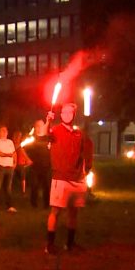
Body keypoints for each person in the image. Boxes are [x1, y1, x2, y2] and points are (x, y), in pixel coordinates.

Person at [44, 103, 94, 254]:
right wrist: (48, 121)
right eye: (64, 112)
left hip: (77, 179)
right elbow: (45, 134)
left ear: (74, 114)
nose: (67, 114)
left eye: (70, 112)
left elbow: (86, 151)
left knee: (74, 213)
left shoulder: (78, 133)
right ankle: (50, 245)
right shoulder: (56, 130)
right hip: (61, 178)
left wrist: (86, 169)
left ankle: (70, 244)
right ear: (60, 114)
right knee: (56, 212)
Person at [25, 120, 52, 208]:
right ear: (35, 127)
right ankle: (34, 204)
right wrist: (27, 159)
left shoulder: (48, 138)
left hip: (46, 165)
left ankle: (46, 204)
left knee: (47, 186)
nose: (39, 127)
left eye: (41, 125)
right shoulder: (31, 138)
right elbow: (23, 148)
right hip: (34, 166)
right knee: (34, 185)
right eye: (37, 126)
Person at [0, 126, 17, 213]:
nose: (5, 132)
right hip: (0, 166)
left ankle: (10, 206)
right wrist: (8, 155)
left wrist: (14, 163)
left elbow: (14, 153)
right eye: (2, 130)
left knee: (8, 188)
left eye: (6, 130)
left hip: (9, 167)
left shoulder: (10, 142)